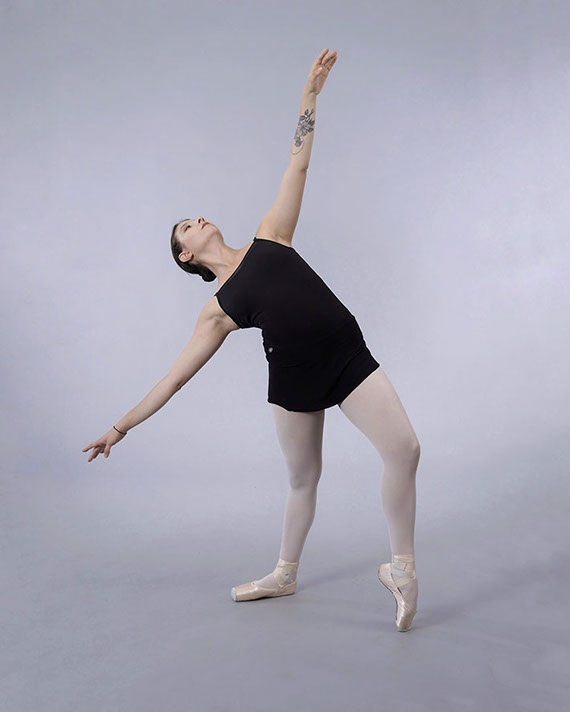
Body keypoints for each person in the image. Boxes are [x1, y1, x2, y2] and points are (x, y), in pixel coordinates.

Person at [82, 49, 421, 631]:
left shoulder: (271, 236)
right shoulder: (217, 310)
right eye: (186, 227)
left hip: (347, 356)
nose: (198, 219)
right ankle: (284, 573)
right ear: (186, 256)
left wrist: (309, 96)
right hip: (294, 381)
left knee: (405, 450)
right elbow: (173, 379)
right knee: (303, 480)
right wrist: (120, 427)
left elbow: (298, 167)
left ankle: (403, 570)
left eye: (195, 215)